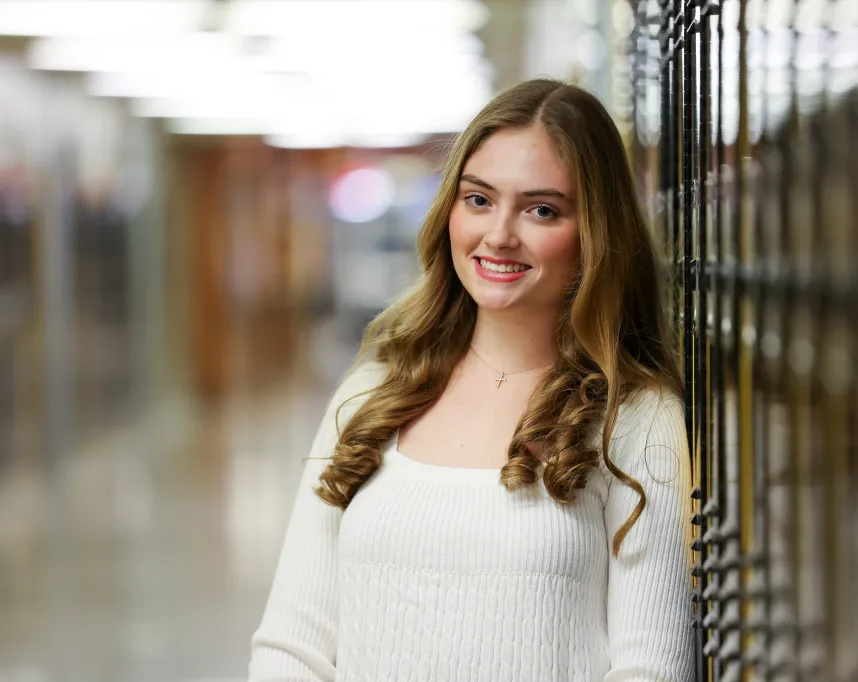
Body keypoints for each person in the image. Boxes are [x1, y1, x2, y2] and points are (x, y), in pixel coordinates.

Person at [249, 78, 696, 681]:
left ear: (596, 232)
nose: (499, 235)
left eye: (542, 209)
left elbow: (651, 669)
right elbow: (291, 647)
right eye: (479, 199)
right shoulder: (372, 394)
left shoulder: (637, 418)